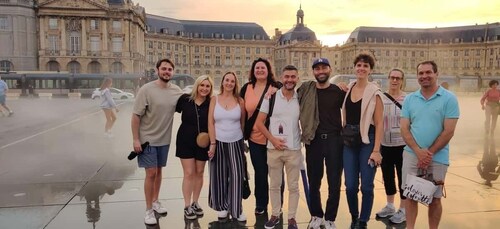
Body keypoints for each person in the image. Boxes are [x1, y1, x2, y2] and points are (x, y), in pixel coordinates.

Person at [400, 60, 460, 229]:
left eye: (428, 72)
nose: (424, 76)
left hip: (438, 156)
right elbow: (404, 129)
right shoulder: (410, 99)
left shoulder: (449, 98)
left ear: (436, 74)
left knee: (435, 198)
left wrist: (428, 153)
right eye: (421, 73)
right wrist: (418, 152)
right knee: (410, 195)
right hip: (412, 154)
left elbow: (449, 131)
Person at [131, 58, 183, 225]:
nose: (166, 72)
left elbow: (193, 102)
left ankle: (155, 201)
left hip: (164, 139)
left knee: (159, 172)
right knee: (151, 173)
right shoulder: (146, 89)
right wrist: (135, 139)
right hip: (147, 139)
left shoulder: (176, 91)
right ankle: (148, 210)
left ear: (173, 72)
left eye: (169, 69)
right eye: (164, 69)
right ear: (157, 70)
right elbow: (136, 116)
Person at [298, 58, 346, 229]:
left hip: (334, 140)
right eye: (317, 69)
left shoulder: (338, 91)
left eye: (324, 68)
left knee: (334, 182)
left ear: (330, 69)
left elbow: (354, 106)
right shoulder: (306, 91)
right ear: (313, 72)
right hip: (314, 140)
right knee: (314, 181)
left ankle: (330, 218)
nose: (321, 71)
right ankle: (316, 215)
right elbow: (287, 95)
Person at [254, 65, 301, 229]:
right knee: (274, 185)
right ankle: (275, 213)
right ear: (282, 78)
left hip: (293, 149)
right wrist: (273, 140)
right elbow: (259, 123)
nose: (289, 80)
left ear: (297, 79)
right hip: (274, 149)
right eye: (287, 77)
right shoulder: (271, 97)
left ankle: (292, 218)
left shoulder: (300, 97)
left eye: (293, 77)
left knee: (293, 186)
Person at [341, 54, 383, 229]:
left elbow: (380, 123)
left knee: (366, 185)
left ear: (370, 70)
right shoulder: (348, 89)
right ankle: (354, 216)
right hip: (349, 140)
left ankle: (363, 221)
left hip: (368, 140)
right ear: (354, 68)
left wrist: (376, 150)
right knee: (350, 185)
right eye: (359, 65)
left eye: (365, 66)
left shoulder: (375, 93)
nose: (361, 68)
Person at [240, 58, 279, 215]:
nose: (260, 70)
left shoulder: (277, 87)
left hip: (274, 139)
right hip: (255, 138)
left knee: (276, 174)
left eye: (263, 67)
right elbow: (241, 113)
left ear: (269, 70)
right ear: (253, 71)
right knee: (260, 172)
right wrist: (241, 135)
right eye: (257, 68)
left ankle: (278, 203)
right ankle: (261, 203)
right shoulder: (246, 88)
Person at [207, 72, 247, 222]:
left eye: (232, 81)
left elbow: (242, 123)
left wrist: (242, 142)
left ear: (235, 83)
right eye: (227, 80)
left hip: (235, 141)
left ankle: (237, 208)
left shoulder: (240, 101)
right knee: (219, 176)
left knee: (237, 175)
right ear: (222, 82)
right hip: (218, 141)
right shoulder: (214, 99)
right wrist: (212, 143)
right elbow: (210, 122)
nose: (229, 83)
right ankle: (222, 206)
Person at [175, 75, 214, 219]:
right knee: (189, 173)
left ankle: (195, 202)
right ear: (197, 86)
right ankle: (187, 205)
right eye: (202, 85)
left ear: (210, 89)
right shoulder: (185, 99)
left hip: (203, 142)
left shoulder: (211, 103)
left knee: (199, 172)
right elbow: (168, 111)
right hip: (185, 140)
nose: (204, 88)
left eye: (207, 86)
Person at [375, 69, 407, 224]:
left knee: (403, 177)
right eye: (392, 77)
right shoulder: (380, 97)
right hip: (385, 144)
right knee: (387, 176)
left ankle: (404, 209)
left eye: (398, 78)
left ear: (402, 81)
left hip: (403, 145)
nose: (395, 80)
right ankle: (390, 205)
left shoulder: (408, 99)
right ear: (388, 79)